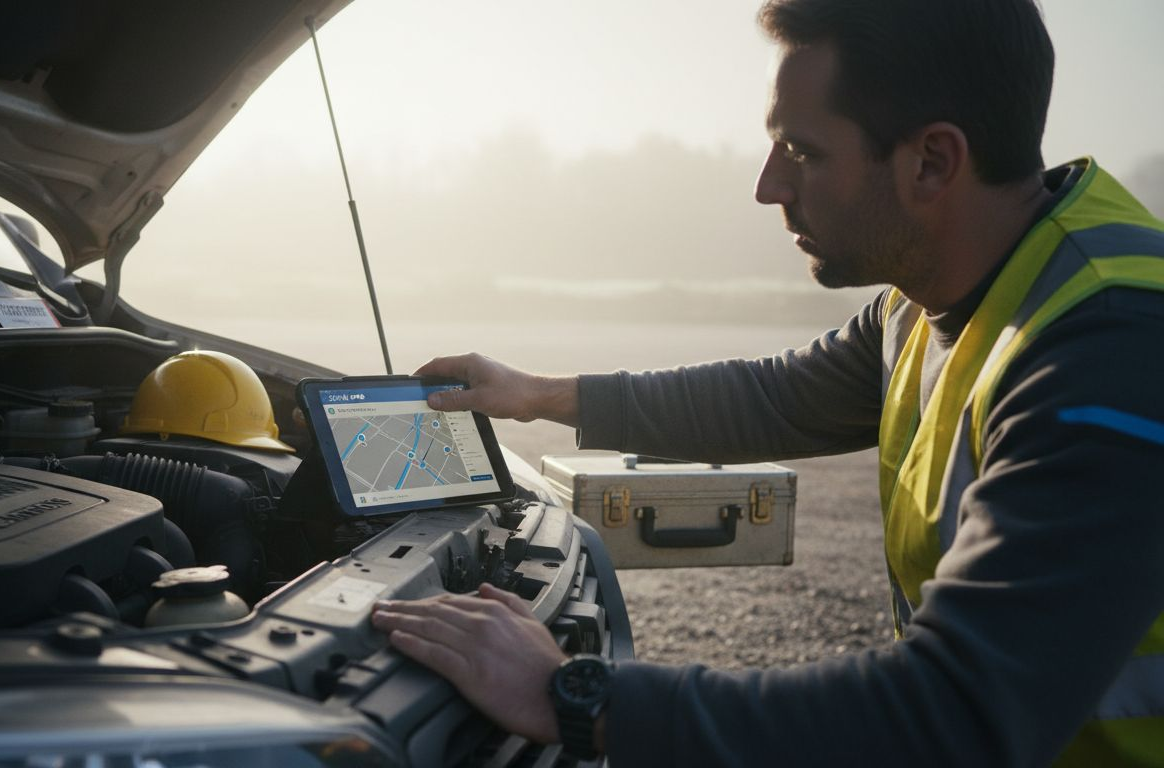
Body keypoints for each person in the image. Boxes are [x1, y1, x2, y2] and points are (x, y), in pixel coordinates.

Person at [370, 0, 1164, 764]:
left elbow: (953, 717)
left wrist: (577, 697)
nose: (769, 187)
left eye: (804, 152)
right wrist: (541, 396)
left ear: (933, 161)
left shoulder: (1111, 350)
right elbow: (779, 396)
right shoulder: (940, 294)